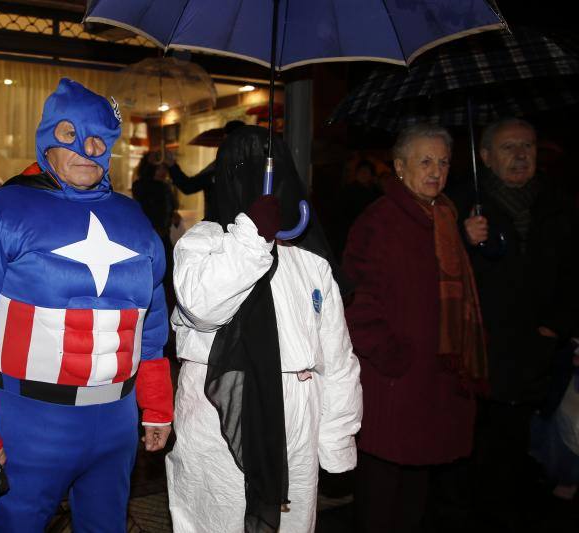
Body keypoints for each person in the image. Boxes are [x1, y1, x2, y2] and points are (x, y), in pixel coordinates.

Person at [0, 78, 173, 532]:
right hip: (28, 424)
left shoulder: (136, 221)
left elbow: (152, 321)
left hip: (116, 423)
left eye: (99, 138)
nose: (87, 147)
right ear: (46, 137)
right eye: (70, 134)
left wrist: (156, 405)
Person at [166, 126, 362, 532]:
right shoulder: (202, 243)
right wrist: (252, 237)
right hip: (219, 414)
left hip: (296, 416)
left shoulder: (311, 262)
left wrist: (337, 439)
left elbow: (338, 359)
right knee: (214, 518)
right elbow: (204, 307)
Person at [343, 123, 487, 533]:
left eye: (443, 161)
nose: (436, 171)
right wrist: (392, 355)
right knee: (383, 488)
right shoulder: (380, 221)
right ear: (400, 167)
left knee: (417, 486)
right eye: (425, 161)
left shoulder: (444, 216)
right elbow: (355, 299)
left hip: (435, 375)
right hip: (396, 378)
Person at [449, 118, 579, 531]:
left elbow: (573, 272)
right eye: (508, 147)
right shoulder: (463, 203)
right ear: (485, 157)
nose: (521, 155)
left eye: (528, 145)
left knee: (523, 438)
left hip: (537, 344)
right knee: (480, 440)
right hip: (483, 344)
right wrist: (462, 240)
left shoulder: (557, 203)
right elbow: (440, 273)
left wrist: (555, 326)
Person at [167, 119, 245, 220]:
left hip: (224, 226)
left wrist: (172, 165)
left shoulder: (219, 166)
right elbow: (188, 186)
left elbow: (188, 186)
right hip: (224, 226)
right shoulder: (218, 166)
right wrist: (172, 165)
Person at [132, 152, 176, 242]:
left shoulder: (165, 186)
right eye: (158, 168)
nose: (162, 172)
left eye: (164, 168)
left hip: (164, 235)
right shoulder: (141, 186)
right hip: (147, 236)